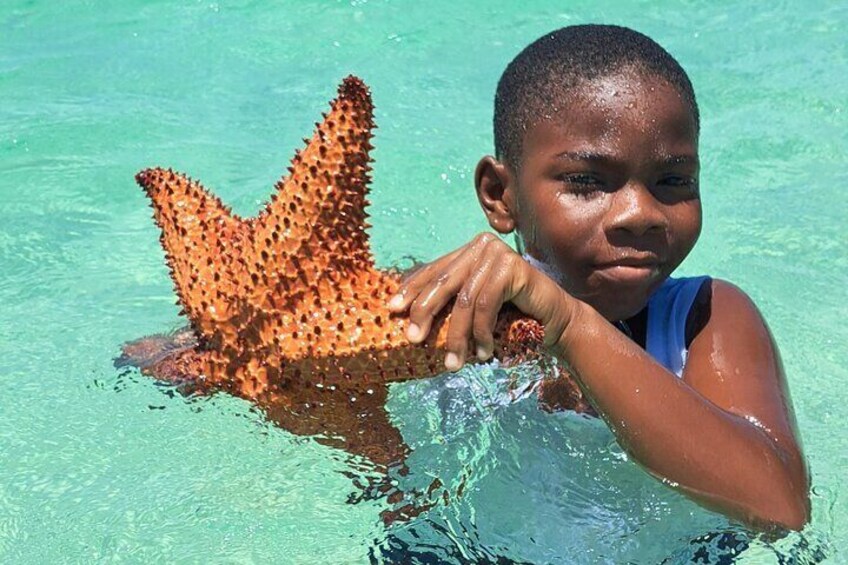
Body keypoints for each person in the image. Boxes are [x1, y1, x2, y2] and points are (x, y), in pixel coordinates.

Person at [387, 24, 809, 532]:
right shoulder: (440, 314)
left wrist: (568, 324)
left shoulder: (703, 320)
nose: (639, 212)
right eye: (587, 181)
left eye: (673, 181)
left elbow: (780, 507)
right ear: (500, 196)